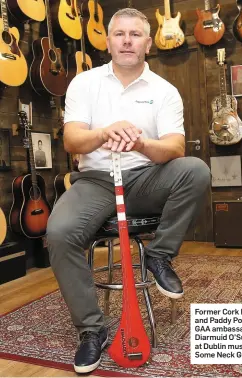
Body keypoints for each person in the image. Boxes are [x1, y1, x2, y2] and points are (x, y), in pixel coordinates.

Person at [46, 8, 210, 374]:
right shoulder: (84, 83)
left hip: (145, 177)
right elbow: (73, 141)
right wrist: (105, 133)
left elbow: (175, 149)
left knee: (195, 170)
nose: (126, 41)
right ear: (107, 41)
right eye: (119, 34)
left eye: (135, 34)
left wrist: (140, 143)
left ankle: (159, 256)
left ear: (148, 43)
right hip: (96, 180)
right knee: (58, 233)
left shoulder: (165, 91)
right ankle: (92, 331)